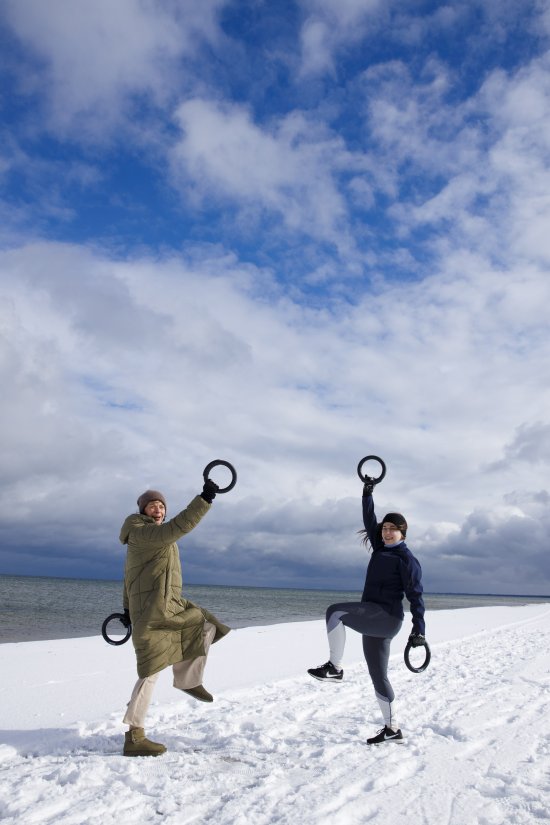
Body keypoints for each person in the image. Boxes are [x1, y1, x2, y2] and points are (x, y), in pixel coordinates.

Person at [307, 476, 426, 745]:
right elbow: (368, 518)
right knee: (378, 677)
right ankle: (392, 729)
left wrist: (419, 630)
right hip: (374, 618)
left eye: (393, 529)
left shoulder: (407, 559)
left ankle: (335, 668)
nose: (386, 532)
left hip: (385, 618)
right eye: (385, 528)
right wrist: (367, 492)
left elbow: (416, 596)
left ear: (403, 532)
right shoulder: (380, 549)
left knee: (335, 612)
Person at [120, 478, 231, 757]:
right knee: (150, 672)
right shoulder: (141, 533)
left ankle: (188, 680)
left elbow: (129, 577)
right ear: (143, 511)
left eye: (160, 506)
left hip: (169, 607)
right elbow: (178, 527)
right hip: (151, 614)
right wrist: (205, 499)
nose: (157, 509)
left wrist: (124, 609)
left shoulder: (157, 535)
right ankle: (134, 736)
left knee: (205, 624)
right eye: (152, 506)